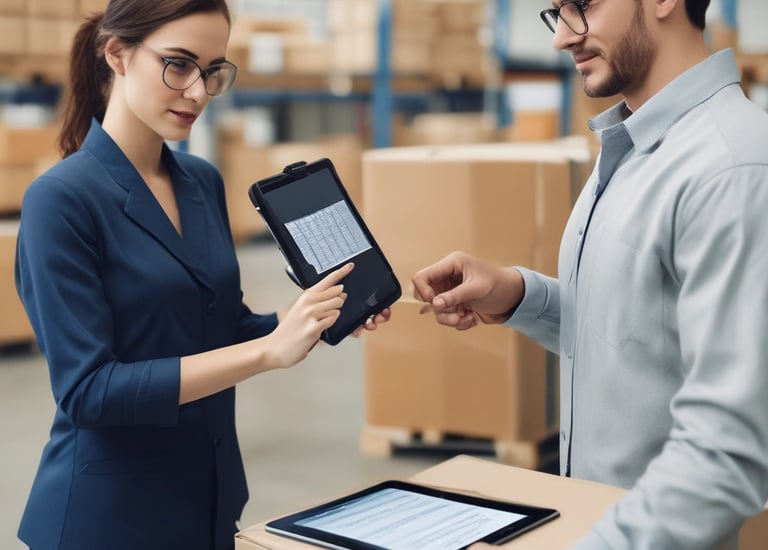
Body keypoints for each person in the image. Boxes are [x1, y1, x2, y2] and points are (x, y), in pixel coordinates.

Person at [14, 1, 389, 549]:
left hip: (208, 502)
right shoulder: (61, 200)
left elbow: (219, 328)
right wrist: (267, 353)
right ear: (116, 53)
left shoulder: (200, 181)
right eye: (178, 64)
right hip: (109, 522)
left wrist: (298, 323)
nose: (198, 92)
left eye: (213, 70)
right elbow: (89, 392)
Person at [413, 0, 768, 548]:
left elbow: (727, 451)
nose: (562, 37)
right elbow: (643, 333)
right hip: (594, 521)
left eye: (583, 5)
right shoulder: (633, 147)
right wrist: (519, 296)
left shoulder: (731, 169)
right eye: (556, 11)